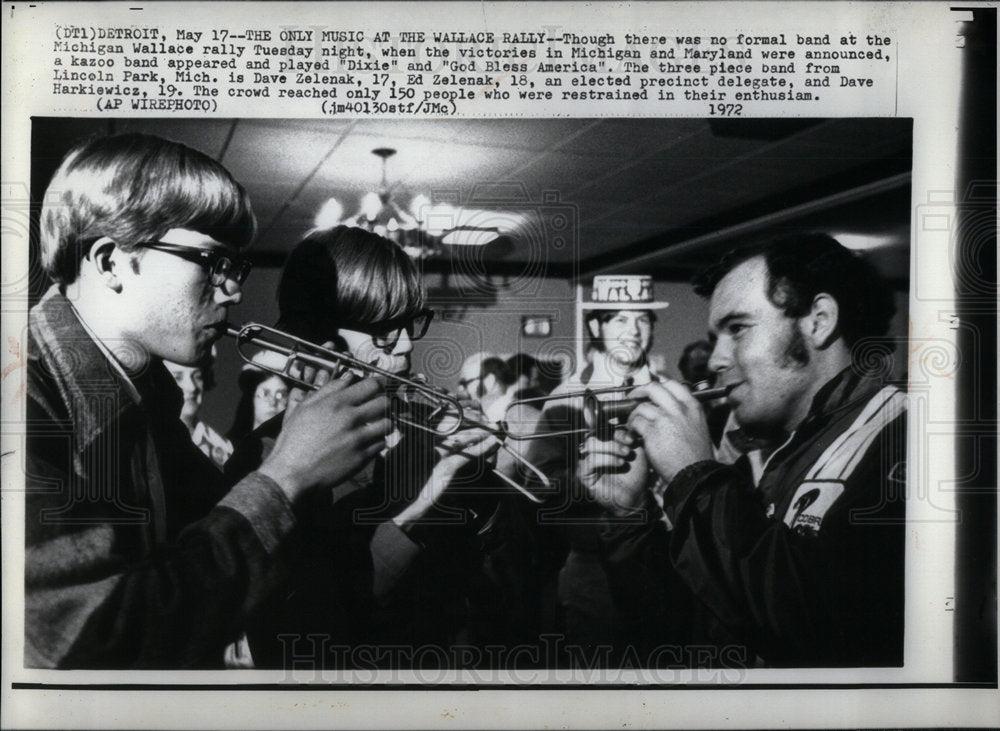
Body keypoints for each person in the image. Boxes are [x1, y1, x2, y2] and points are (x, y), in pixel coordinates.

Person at [25, 134, 389, 668]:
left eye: (235, 267)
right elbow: (89, 643)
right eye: (211, 261)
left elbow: (200, 541)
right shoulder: (24, 401)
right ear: (109, 262)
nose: (233, 291)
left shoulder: (141, 392)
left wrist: (296, 443)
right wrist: (286, 476)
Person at [584, 233, 906, 667]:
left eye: (737, 329)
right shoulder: (788, 447)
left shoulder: (907, 439)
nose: (716, 360)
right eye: (717, 337)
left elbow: (821, 630)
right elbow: (698, 629)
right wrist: (629, 519)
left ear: (819, 320)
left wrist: (695, 475)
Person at [224, 226, 532, 668]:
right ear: (320, 341)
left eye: (410, 324)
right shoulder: (266, 458)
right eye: (385, 331)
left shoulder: (420, 429)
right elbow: (316, 629)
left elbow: (499, 575)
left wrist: (477, 478)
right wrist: (427, 497)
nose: (406, 345)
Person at [522, 274, 670, 661]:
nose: (633, 331)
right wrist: (584, 482)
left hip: (666, 562)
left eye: (642, 319)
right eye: (619, 319)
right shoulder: (565, 401)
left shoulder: (671, 393)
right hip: (596, 569)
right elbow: (536, 486)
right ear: (595, 326)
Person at [164, 351, 233, 469]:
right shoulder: (143, 440)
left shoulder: (221, 445)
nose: (191, 387)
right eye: (177, 377)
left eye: (197, 376)